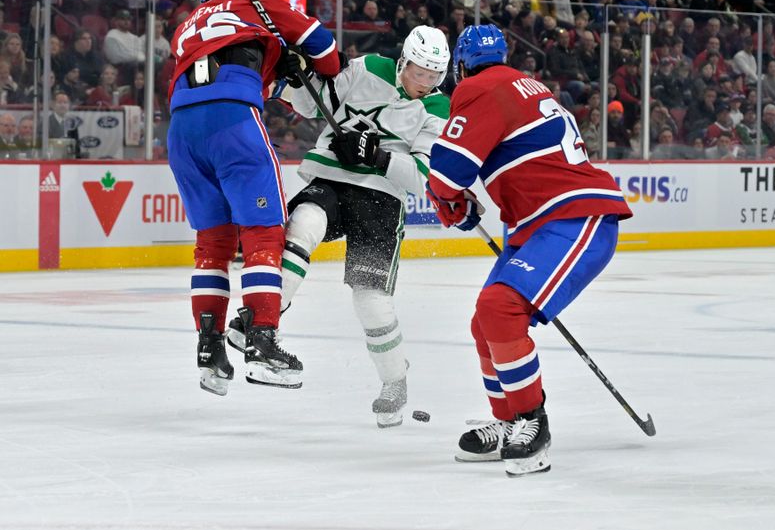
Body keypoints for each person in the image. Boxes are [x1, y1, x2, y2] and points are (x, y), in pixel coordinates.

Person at [426, 25, 632, 476]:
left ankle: (530, 422)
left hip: (574, 216)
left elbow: (446, 173)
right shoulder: (522, 84)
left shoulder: (481, 87)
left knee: (499, 308)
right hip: (541, 221)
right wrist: (456, 200)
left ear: (461, 66)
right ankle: (507, 421)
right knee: (486, 321)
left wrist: (449, 200)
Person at [227, 25, 451, 428]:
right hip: (331, 179)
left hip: (382, 199)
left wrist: (378, 157)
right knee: (300, 230)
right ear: (404, 61)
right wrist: (293, 78)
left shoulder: (437, 108)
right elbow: (317, 104)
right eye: (420, 72)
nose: (425, 82)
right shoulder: (368, 68)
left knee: (369, 298)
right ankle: (261, 325)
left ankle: (394, 380)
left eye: (434, 76)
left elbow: (422, 176)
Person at [167, 0, 340, 395]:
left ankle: (209, 349)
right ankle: (262, 340)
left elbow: (237, 56)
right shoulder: (258, 5)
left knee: (212, 243)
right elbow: (329, 53)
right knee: (264, 231)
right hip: (232, 118)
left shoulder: (186, 27)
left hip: (181, 129)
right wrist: (298, 58)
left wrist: (279, 61)